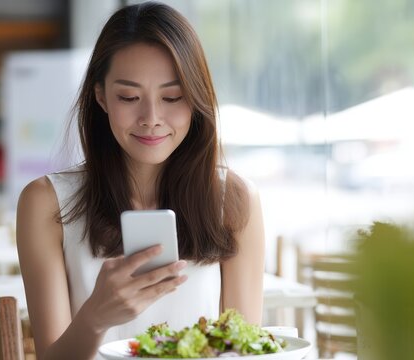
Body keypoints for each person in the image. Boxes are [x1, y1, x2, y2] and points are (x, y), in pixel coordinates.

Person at [16, 2, 265, 359]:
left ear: (196, 99)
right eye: (129, 97)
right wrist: (94, 318)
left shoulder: (235, 200)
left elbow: (245, 350)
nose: (151, 118)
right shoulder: (46, 201)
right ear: (100, 96)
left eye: (172, 97)